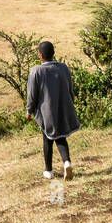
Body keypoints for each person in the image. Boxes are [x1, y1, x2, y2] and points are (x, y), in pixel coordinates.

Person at [25, 41, 79, 181]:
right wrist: (70, 103)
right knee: (61, 136)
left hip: (46, 112)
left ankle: (48, 170)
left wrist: (29, 111)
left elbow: (32, 95)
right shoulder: (63, 68)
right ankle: (67, 162)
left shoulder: (36, 71)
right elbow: (70, 89)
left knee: (47, 139)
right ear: (53, 53)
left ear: (40, 55)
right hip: (62, 108)